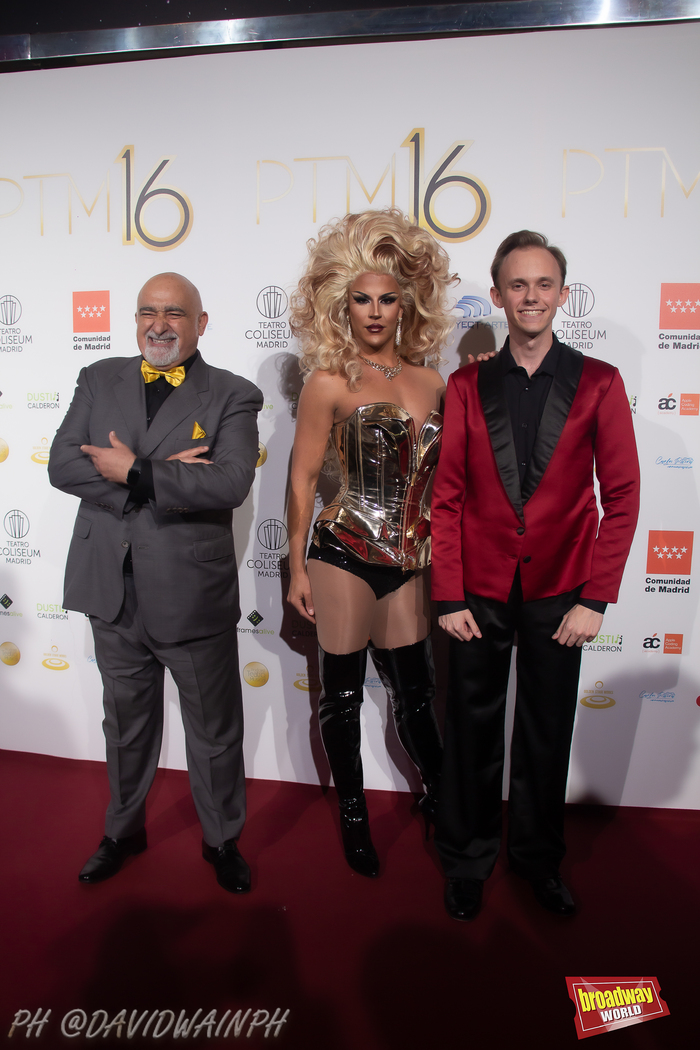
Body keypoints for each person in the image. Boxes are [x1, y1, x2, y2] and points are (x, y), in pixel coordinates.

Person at [430, 231, 640, 920]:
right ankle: (467, 859)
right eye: (517, 285)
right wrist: (450, 592)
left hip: (562, 594)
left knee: (546, 734)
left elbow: (624, 496)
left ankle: (538, 861)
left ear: (562, 295)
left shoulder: (601, 382)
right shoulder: (467, 384)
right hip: (478, 594)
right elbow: (449, 497)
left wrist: (597, 598)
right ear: (497, 296)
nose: (530, 296)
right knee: (469, 730)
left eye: (543, 284)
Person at [49, 272, 262, 893]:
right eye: (148, 311)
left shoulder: (232, 394)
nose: (159, 324)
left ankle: (222, 839)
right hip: (109, 589)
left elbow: (228, 485)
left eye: (174, 312)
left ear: (201, 323)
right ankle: (123, 830)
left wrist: (133, 471)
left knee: (214, 730)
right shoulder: (98, 378)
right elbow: (63, 465)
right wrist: (156, 476)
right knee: (126, 722)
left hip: (191, 594)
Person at [287, 210, 457, 877]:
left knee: (417, 692)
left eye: (388, 298)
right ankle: (354, 817)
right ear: (341, 303)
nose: (376, 311)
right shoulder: (327, 382)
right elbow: (301, 481)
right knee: (344, 696)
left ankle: (442, 799)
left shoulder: (433, 383)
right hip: (344, 553)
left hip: (413, 557)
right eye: (363, 298)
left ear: (407, 302)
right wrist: (293, 567)